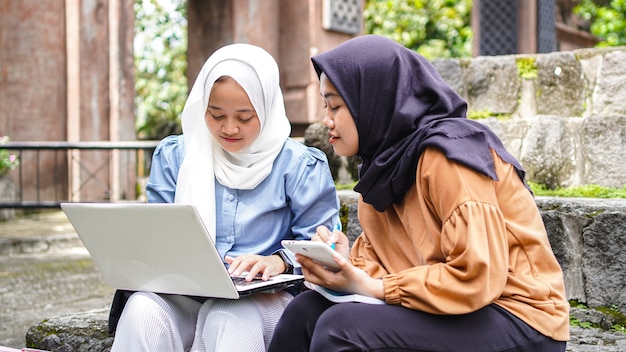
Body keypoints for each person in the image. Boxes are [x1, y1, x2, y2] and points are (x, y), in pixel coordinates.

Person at [268, 35, 569, 352]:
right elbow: (383, 267)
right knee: (303, 313)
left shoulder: (450, 157)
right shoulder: (382, 168)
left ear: (373, 100)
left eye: (336, 106)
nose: (326, 120)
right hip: (445, 308)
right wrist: (344, 263)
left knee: (340, 328)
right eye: (325, 106)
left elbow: (477, 277)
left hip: (518, 317)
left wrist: (370, 284)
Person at [109, 43, 340, 352]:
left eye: (244, 118)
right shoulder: (176, 156)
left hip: (264, 303)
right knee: (141, 311)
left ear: (267, 108)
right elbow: (158, 235)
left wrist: (278, 262)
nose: (229, 128)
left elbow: (324, 248)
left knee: (229, 316)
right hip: (186, 296)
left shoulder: (298, 165)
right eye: (216, 114)